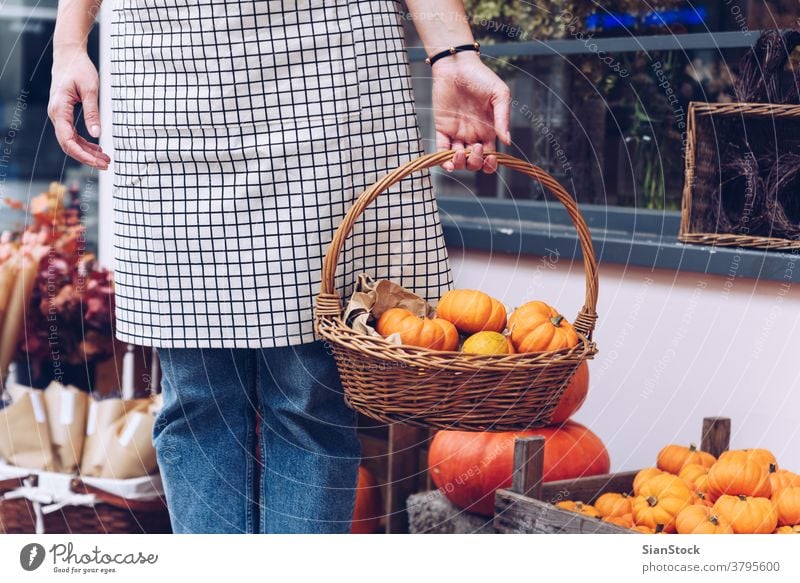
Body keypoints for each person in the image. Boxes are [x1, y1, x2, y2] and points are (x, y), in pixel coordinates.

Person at [50, 0, 511, 533]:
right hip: (166, 59)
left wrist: (452, 53)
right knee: (199, 400)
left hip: (330, 65)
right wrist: (67, 47)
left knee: (308, 391)